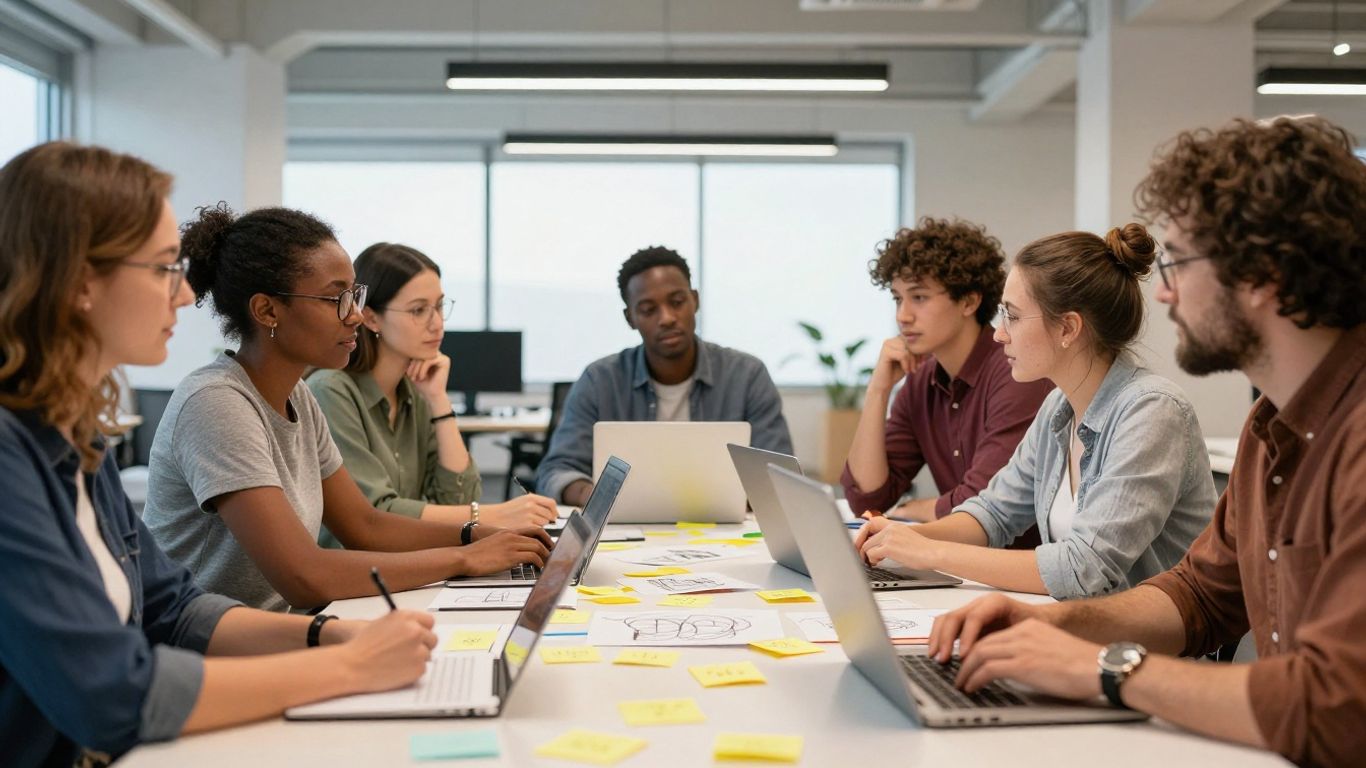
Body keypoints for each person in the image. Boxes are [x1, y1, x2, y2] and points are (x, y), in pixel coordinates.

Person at [926, 116, 1366, 766]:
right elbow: (1198, 595)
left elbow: (1339, 706)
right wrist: (1051, 625)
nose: (1162, 290)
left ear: (1263, 275)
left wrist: (1106, 669)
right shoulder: (1269, 427)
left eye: (1180, 261)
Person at [0, 142, 438, 767]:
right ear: (78, 282)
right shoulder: (10, 456)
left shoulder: (75, 438)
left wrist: (327, 633)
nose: (183, 297)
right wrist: (347, 665)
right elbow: (114, 695)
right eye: (160, 270)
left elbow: (174, 610)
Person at [143, 204, 551, 612]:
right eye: (335, 298)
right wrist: (465, 558)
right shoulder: (216, 403)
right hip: (209, 653)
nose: (355, 315)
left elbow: (366, 526)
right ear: (267, 310)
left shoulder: (297, 396)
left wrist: (475, 535)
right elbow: (305, 576)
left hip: (276, 630)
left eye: (355, 295)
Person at [856, 224, 1215, 599]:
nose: (999, 334)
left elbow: (1084, 570)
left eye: (1011, 315)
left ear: (1068, 328)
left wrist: (929, 551)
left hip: (1147, 653)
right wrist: (900, 536)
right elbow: (992, 514)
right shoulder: (1058, 408)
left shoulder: (1152, 412)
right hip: (1084, 633)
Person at [308, 242, 557, 548]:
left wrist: (439, 400)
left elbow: (458, 499)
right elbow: (375, 514)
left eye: (439, 306)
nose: (437, 323)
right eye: (418, 310)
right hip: (358, 577)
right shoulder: (331, 391)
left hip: (409, 565)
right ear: (371, 318)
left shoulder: (415, 392)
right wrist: (495, 514)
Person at [842, 218, 1052, 553]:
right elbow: (867, 497)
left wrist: (916, 509)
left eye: (919, 297)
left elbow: (982, 502)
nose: (903, 316)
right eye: (898, 299)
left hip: (1019, 574)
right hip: (961, 565)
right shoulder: (921, 380)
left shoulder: (1016, 373)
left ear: (969, 302)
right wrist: (878, 390)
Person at [537, 245, 793, 506]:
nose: (667, 318)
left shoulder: (747, 375)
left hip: (726, 533)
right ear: (630, 318)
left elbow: (779, 475)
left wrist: (732, 499)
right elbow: (556, 471)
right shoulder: (600, 380)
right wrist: (595, 498)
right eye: (649, 310)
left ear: (695, 300)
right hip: (628, 531)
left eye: (677, 302)